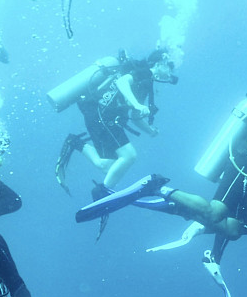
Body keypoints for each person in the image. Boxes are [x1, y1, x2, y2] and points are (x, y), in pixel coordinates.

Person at [77, 71, 247, 262]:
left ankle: (179, 211)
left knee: (237, 229)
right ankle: (156, 187)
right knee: (214, 214)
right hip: (244, 170)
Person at [55, 48, 177, 200]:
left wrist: (150, 130)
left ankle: (75, 142)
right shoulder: (146, 72)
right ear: (161, 63)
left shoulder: (146, 82)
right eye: (170, 66)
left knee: (108, 166)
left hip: (100, 115)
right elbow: (122, 82)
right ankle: (102, 193)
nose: (171, 72)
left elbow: (135, 116)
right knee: (129, 156)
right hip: (104, 114)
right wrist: (138, 105)